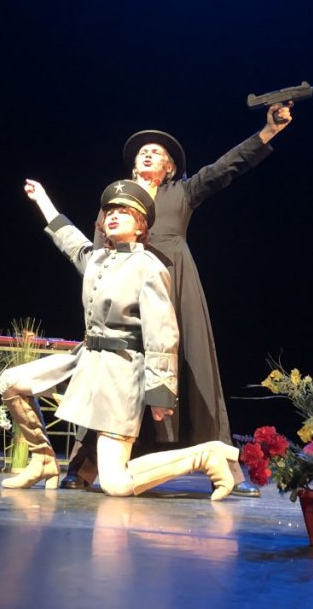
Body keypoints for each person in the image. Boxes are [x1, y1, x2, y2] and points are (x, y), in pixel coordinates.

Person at [62, 102, 295, 496]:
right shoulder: (115, 204)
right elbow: (98, 254)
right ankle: (83, 468)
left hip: (175, 288)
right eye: (143, 152)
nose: (148, 154)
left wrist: (268, 131)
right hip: (124, 296)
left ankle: (225, 468)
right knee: (111, 371)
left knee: (195, 369)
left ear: (168, 167)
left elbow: (224, 169)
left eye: (157, 153)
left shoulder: (181, 192)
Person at [0, 177, 240, 501]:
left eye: (123, 212)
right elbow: (68, 237)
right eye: (109, 211)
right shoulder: (97, 259)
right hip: (85, 362)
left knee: (116, 484)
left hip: (120, 377)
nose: (112, 216)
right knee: (10, 383)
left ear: (140, 226)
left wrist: (161, 390)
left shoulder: (149, 267)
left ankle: (206, 456)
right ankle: (43, 460)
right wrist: (42, 199)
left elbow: (162, 332)